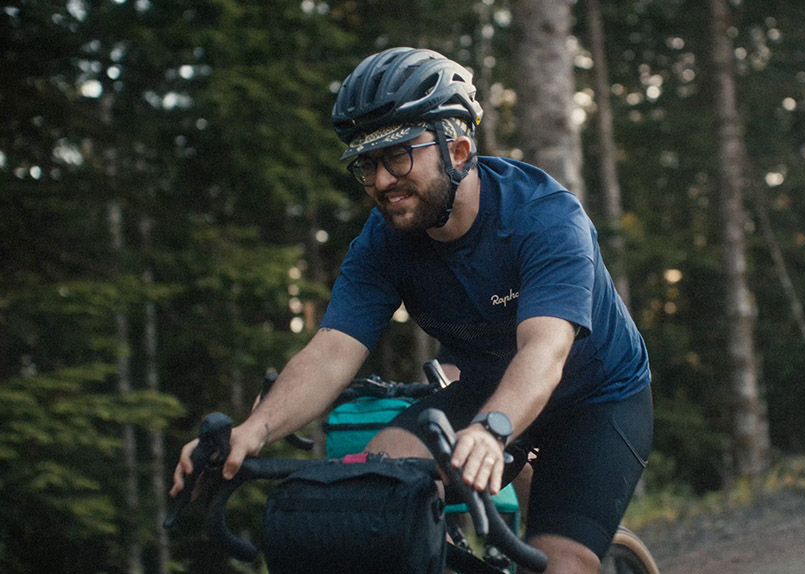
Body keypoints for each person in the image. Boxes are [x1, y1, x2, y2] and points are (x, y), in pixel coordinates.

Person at [171, 47, 653, 573]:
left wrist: (493, 430)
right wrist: (256, 428)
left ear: (461, 149)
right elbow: (332, 351)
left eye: (397, 155)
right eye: (366, 164)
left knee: (561, 563)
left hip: (594, 400)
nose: (380, 181)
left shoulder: (545, 218)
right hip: (482, 392)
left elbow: (545, 349)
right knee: (374, 496)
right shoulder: (382, 244)